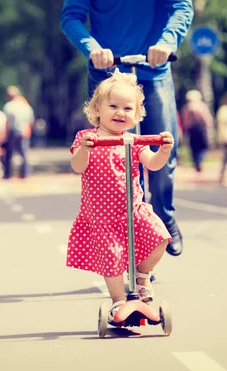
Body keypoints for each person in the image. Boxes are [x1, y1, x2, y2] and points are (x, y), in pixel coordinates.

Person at [61, 0, 193, 256]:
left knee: (162, 146)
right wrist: (92, 48)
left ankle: (164, 213)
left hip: (154, 67)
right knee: (111, 158)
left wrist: (167, 42)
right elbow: (71, 16)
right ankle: (128, 238)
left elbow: (181, 5)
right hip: (106, 69)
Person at [67, 69, 174, 321]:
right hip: (102, 216)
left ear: (136, 115)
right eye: (113, 106)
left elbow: (153, 163)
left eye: (127, 109)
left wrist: (164, 151)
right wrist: (84, 149)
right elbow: (77, 166)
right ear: (97, 109)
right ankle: (117, 301)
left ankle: (142, 276)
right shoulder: (87, 138)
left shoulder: (135, 140)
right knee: (112, 261)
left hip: (133, 209)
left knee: (160, 237)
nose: (119, 113)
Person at [2, 86, 35, 179]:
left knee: (9, 154)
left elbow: (7, 122)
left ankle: (8, 174)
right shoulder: (26, 106)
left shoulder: (8, 106)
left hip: (12, 131)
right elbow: (30, 121)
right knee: (23, 154)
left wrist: (5, 134)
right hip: (23, 132)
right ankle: (24, 174)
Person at [181, 90, 213, 173]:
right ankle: (200, 160)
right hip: (201, 129)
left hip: (191, 130)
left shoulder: (186, 107)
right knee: (203, 146)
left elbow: (185, 120)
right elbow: (206, 118)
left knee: (193, 147)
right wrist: (208, 127)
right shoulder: (202, 106)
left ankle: (197, 162)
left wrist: (186, 129)